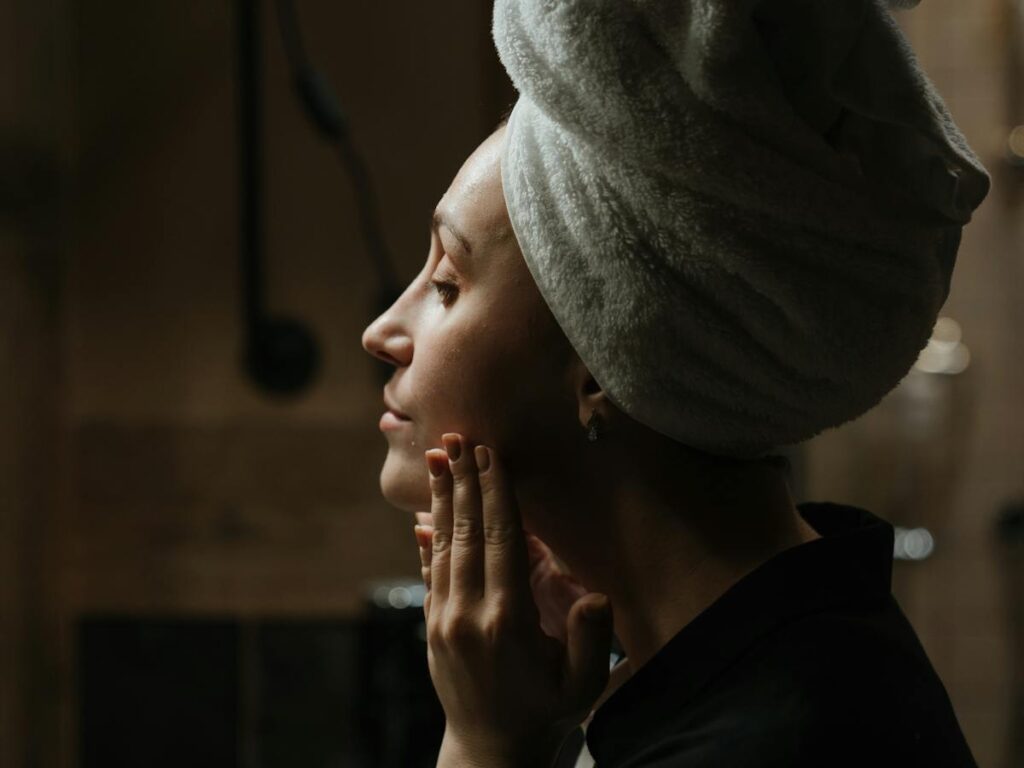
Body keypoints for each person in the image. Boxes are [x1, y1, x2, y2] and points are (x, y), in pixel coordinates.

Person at [362, 1, 989, 765]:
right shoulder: (797, 652)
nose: (383, 334)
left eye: (448, 283)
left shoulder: (769, 742)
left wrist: (484, 747)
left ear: (602, 363)